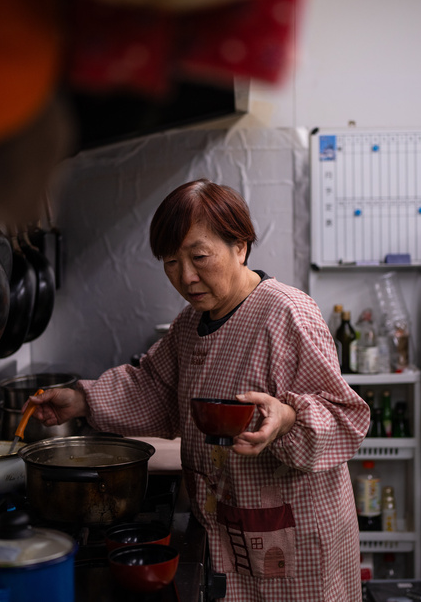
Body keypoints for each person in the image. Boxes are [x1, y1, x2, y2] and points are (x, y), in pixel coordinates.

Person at [29, 179, 370, 601]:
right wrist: (81, 400)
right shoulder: (190, 325)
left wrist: (287, 418)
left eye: (199, 257)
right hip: (226, 525)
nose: (186, 277)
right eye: (171, 262)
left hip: (293, 536)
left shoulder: (286, 312)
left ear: (240, 247)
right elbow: (152, 387)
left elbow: (343, 416)